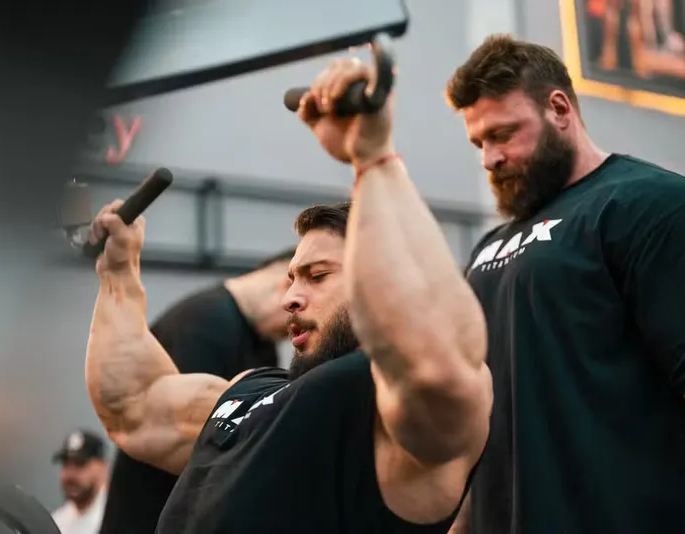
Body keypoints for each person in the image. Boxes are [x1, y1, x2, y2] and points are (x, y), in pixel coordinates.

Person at [83, 57, 493, 532]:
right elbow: (132, 404)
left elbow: (438, 354)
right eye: (292, 279)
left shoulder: (391, 417)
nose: (291, 299)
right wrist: (118, 270)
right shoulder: (254, 389)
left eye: (318, 276)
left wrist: (374, 159)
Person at [444, 34, 685, 533]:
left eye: (503, 133)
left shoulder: (654, 205)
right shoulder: (487, 249)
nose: (489, 158)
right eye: (479, 142)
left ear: (559, 109)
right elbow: (479, 428)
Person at [99, 250, 294, 534]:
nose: (292, 331)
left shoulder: (261, 345)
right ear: (287, 286)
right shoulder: (201, 326)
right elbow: (188, 439)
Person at [51, 429, 109, 534]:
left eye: (79, 464)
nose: (70, 474)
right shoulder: (58, 522)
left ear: (102, 467)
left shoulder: (119, 518)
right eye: (66, 464)